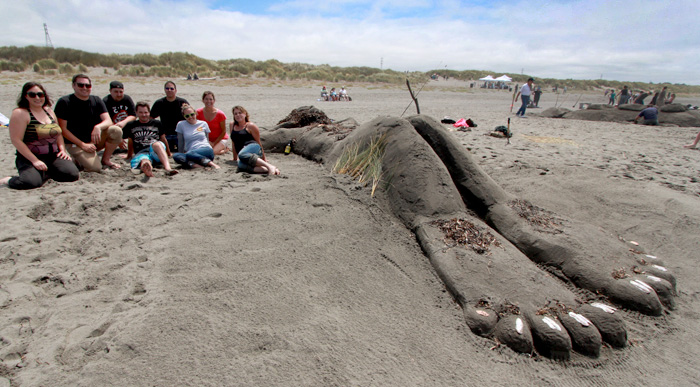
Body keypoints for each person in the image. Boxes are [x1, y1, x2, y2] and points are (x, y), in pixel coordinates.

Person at [1, 82, 80, 189]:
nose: (37, 97)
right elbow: (16, 140)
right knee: (31, 183)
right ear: (26, 96)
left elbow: (58, 133)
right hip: (29, 157)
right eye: (32, 95)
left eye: (40, 94)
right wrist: (35, 160)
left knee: (72, 175)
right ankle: (9, 179)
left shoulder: (49, 111)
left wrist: (62, 150)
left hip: (53, 155)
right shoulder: (20, 113)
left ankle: (45, 173)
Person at [54, 74, 121, 171]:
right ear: (73, 85)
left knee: (115, 130)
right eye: (81, 85)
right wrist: (82, 145)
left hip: (93, 140)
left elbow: (108, 121)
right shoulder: (65, 102)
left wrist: (98, 127)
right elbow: (62, 129)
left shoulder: (96, 100)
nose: (85, 88)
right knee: (95, 168)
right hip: (74, 143)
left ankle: (105, 159)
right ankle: (76, 159)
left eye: (87, 85)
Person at [122, 102, 178, 177]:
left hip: (156, 151)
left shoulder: (157, 123)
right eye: (141, 112)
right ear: (136, 113)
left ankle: (168, 168)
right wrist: (129, 155)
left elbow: (163, 139)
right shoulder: (131, 125)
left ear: (149, 112)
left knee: (157, 144)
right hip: (142, 151)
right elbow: (130, 141)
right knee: (144, 160)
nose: (144, 115)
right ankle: (147, 168)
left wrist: (168, 153)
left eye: (145, 112)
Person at [230, 105, 280, 175]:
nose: (238, 115)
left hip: (253, 147)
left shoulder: (250, 126)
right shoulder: (232, 125)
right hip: (244, 154)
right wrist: (234, 158)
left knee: (242, 154)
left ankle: (268, 166)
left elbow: (258, 142)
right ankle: (270, 169)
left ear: (245, 114)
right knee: (241, 165)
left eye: (240, 113)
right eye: (235, 114)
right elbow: (233, 142)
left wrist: (264, 158)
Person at [173, 104, 220, 169]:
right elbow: (181, 142)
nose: (190, 117)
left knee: (190, 153)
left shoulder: (203, 123)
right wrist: (182, 154)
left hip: (205, 149)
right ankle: (198, 166)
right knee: (176, 156)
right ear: (184, 116)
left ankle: (212, 164)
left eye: (192, 114)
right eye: (187, 116)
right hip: (191, 153)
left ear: (195, 113)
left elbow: (206, 139)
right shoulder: (181, 124)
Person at [150, 80, 189, 153]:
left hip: (179, 135)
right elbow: (151, 118)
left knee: (184, 150)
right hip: (165, 135)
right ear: (164, 90)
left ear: (175, 90)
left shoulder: (182, 102)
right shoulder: (159, 103)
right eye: (167, 88)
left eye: (171, 88)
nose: (169, 90)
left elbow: (190, 117)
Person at [103, 80, 136, 155]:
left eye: (121, 92)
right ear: (110, 91)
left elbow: (133, 115)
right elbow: (104, 120)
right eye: (116, 92)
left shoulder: (127, 99)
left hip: (125, 126)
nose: (119, 94)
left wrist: (123, 122)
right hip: (112, 128)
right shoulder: (106, 101)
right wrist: (118, 138)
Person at [196, 91, 229, 155]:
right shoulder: (198, 112)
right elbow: (198, 128)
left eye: (211, 99)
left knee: (212, 152)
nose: (208, 101)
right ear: (203, 100)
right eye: (206, 99)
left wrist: (214, 143)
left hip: (220, 139)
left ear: (214, 101)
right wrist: (207, 141)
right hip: (205, 139)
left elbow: (223, 131)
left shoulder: (220, 114)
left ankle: (224, 150)